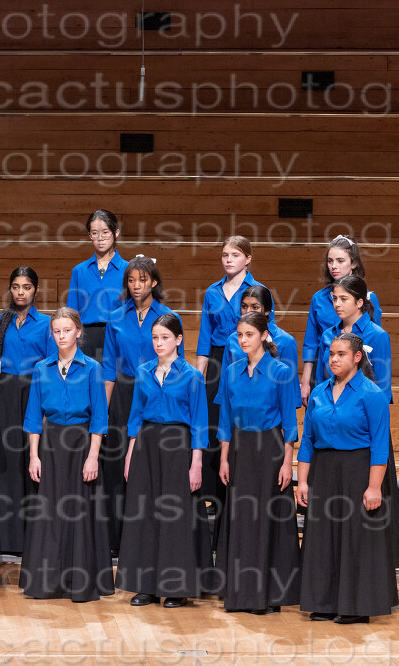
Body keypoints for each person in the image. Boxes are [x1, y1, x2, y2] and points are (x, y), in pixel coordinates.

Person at [298, 333, 399, 623]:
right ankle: (324, 601)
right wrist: (303, 481)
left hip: (358, 470)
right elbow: (307, 441)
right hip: (324, 470)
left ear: (357, 357)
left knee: (356, 539)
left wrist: (374, 487)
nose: (333, 359)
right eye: (331, 354)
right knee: (323, 537)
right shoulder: (318, 392)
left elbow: (380, 445)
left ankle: (355, 606)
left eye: (341, 354)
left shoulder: (372, 394)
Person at [21, 308, 113, 602]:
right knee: (49, 511)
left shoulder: (92, 368)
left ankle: (79, 581)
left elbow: (99, 417)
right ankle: (49, 582)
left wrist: (93, 456)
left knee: (79, 510)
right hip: (50, 443)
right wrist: (34, 456)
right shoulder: (41, 368)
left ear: (78, 332)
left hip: (80, 443)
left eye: (67, 330)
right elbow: (33, 417)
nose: (61, 336)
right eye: (57, 331)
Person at [119, 314, 209, 609]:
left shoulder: (192, 376)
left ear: (179, 340)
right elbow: (135, 417)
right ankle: (146, 585)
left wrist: (196, 463)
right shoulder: (143, 371)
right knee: (145, 514)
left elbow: (199, 422)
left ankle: (175, 588)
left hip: (177, 445)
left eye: (165, 338)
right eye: (155, 337)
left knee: (174, 516)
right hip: (146, 445)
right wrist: (130, 454)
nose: (159, 343)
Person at [215, 312, 300, 615]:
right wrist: (224, 459)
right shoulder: (231, 371)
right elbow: (225, 419)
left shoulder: (281, 371)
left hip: (270, 450)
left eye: (249, 334)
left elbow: (289, 423)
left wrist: (287, 463)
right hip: (240, 448)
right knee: (242, 518)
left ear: (264, 335)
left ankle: (268, 594)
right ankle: (241, 592)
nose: (243, 340)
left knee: (266, 519)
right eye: (240, 335)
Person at [99, 255, 177, 556]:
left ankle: (151, 538)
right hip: (123, 393)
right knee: (119, 466)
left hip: (156, 392)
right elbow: (109, 367)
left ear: (153, 282)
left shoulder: (167, 315)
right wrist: (104, 412)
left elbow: (174, 364)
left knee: (150, 464)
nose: (136, 286)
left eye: (142, 280)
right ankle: (117, 540)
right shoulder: (116, 317)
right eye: (131, 280)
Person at [0, 267, 53, 555]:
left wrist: (47, 408)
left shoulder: (47, 324)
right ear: (10, 289)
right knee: (8, 462)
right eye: (15, 286)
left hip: (35, 393)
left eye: (26, 286)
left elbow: (51, 368)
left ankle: (33, 537)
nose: (21, 292)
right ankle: (6, 538)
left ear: (35, 289)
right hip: (6, 396)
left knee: (33, 461)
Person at [194, 236, 262, 511]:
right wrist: (199, 376)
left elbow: (265, 331)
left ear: (248, 259)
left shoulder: (257, 290)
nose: (229, 260)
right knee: (215, 424)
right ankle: (213, 496)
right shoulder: (212, 291)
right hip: (217, 361)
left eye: (235, 255)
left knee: (240, 421)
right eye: (225, 255)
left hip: (246, 359)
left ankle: (242, 492)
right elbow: (205, 335)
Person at [301, 236, 382, 405]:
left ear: (354, 263)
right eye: (330, 261)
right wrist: (306, 382)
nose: (334, 266)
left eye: (340, 260)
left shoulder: (368, 298)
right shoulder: (319, 298)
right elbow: (311, 343)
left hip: (357, 369)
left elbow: (375, 343)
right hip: (324, 366)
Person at [313, 275, 392, 398]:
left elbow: (383, 387)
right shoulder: (327, 335)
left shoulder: (378, 336)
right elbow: (320, 382)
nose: (337, 304)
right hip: (330, 404)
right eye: (335, 298)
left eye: (343, 299)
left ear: (359, 302)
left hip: (362, 406)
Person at [65, 210, 127, 360]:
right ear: (89, 235)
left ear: (116, 233)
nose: (100, 238)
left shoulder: (128, 269)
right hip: (86, 339)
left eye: (105, 232)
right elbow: (72, 312)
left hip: (118, 335)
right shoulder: (79, 271)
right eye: (94, 233)